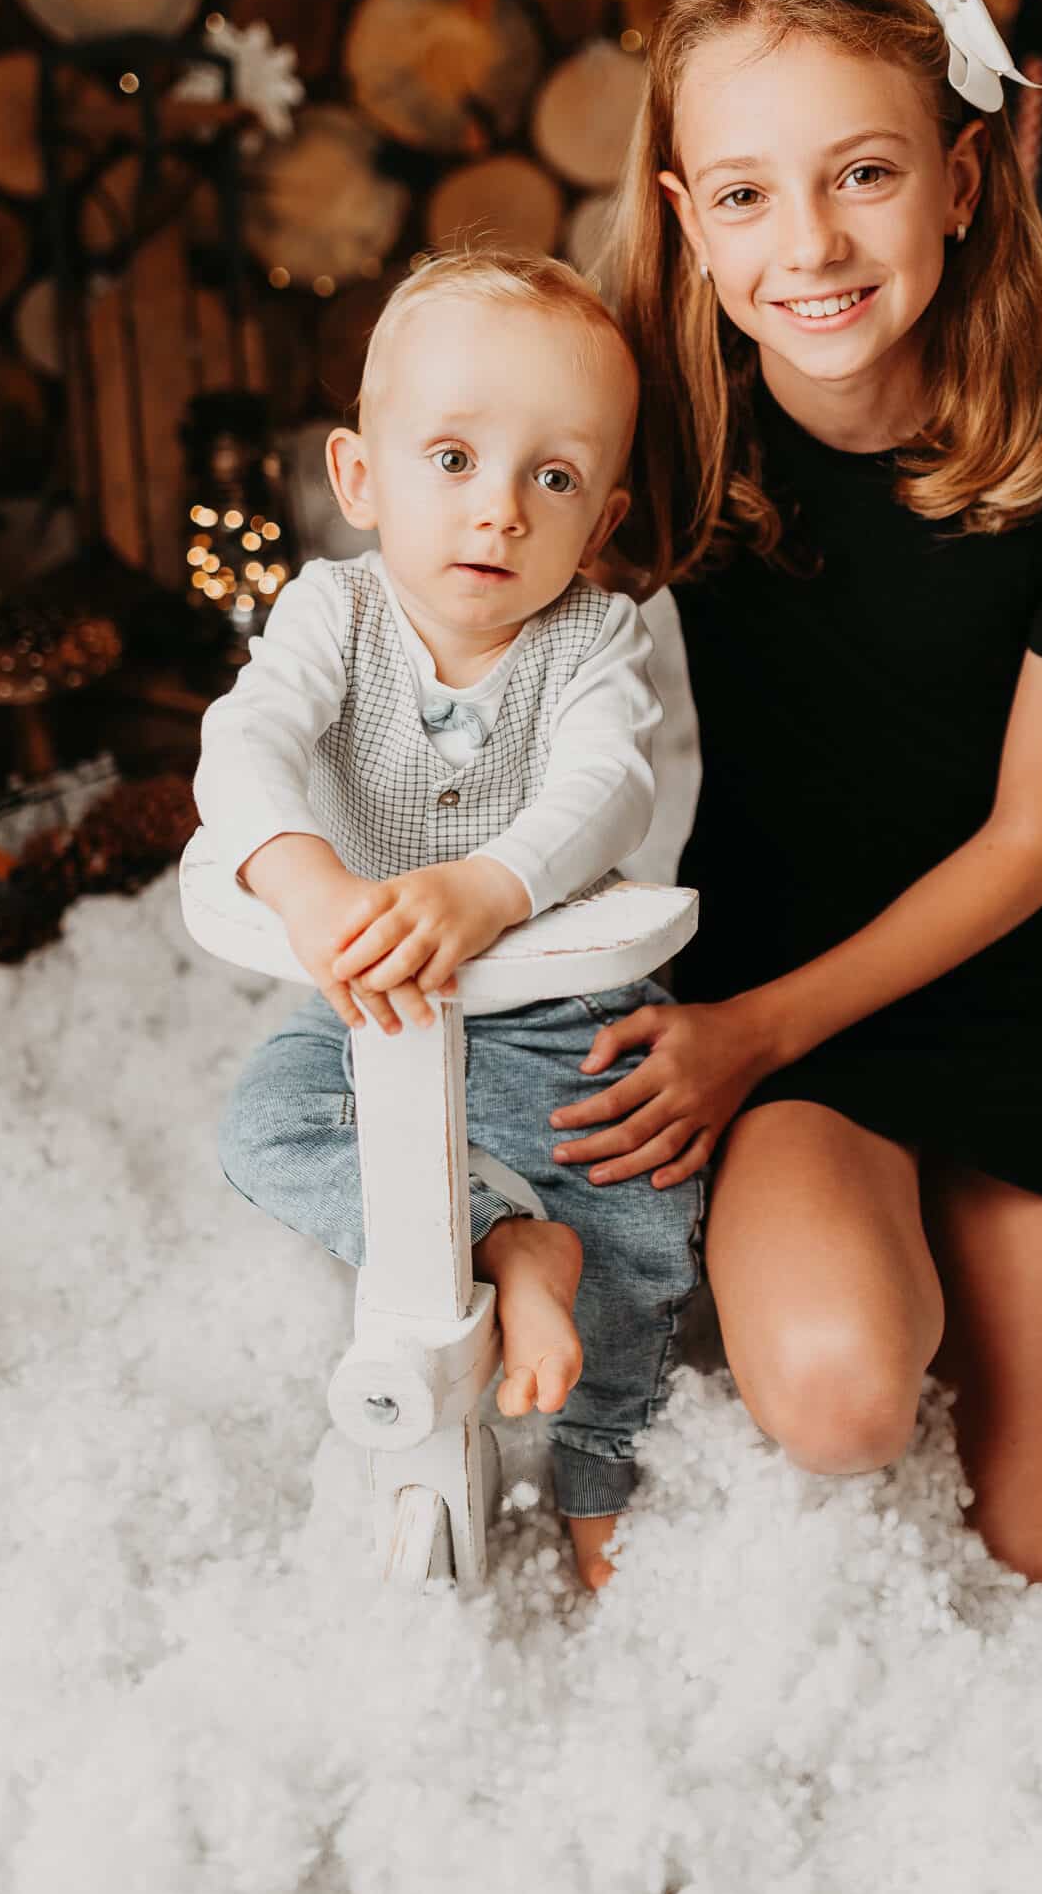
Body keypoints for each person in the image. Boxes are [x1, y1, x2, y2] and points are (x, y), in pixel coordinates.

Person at [546, 0, 1042, 1585]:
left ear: (961, 182)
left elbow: (1031, 842)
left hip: (987, 988)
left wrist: (742, 1038)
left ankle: (932, 1226)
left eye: (865, 175)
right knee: (841, 1400)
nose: (811, 244)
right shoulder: (666, 426)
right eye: (745, 194)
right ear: (686, 219)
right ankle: (837, 1233)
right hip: (772, 981)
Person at [196, 249, 704, 1592]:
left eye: (555, 478)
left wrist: (489, 885)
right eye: (454, 459)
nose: (500, 511)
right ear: (360, 477)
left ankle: (601, 1471)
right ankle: (497, 1239)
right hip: (376, 1010)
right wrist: (307, 882)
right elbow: (245, 745)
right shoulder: (333, 613)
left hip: (557, 1015)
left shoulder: (594, 639)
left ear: (601, 518)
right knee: (268, 1126)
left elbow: (607, 787)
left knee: (643, 1225)